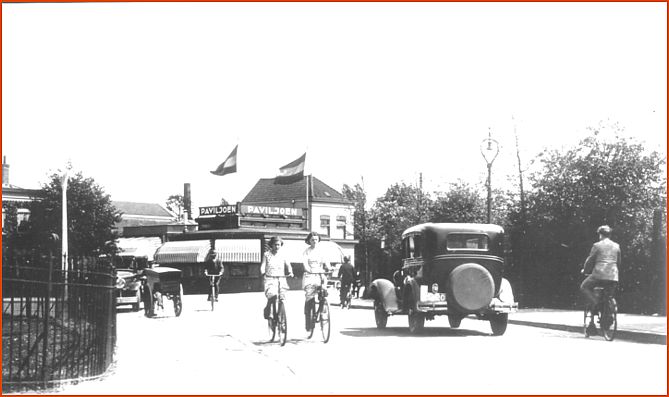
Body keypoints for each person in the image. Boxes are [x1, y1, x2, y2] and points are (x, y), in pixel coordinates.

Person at [580, 225, 620, 335]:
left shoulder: (597, 245)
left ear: (600, 234)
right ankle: (609, 311)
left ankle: (596, 303)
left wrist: (585, 270)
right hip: (613, 276)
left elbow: (590, 260)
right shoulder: (616, 246)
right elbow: (619, 262)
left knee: (584, 287)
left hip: (599, 275)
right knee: (609, 295)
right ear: (610, 235)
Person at [302, 232, 330, 331]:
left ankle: (322, 308)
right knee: (309, 297)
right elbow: (305, 263)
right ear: (309, 241)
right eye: (312, 240)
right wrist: (308, 269)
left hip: (319, 273)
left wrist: (329, 268)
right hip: (310, 274)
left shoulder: (321, 251)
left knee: (323, 287)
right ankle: (308, 321)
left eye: (316, 240)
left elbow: (326, 262)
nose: (314, 241)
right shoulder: (306, 252)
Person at [261, 236, 294, 319]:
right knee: (272, 295)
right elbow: (263, 265)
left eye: (279, 245)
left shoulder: (283, 255)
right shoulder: (267, 254)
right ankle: (269, 309)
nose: (277, 247)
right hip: (270, 278)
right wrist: (263, 272)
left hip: (281, 278)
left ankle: (280, 314)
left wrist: (290, 271)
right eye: (275, 245)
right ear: (271, 245)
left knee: (282, 296)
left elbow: (288, 265)